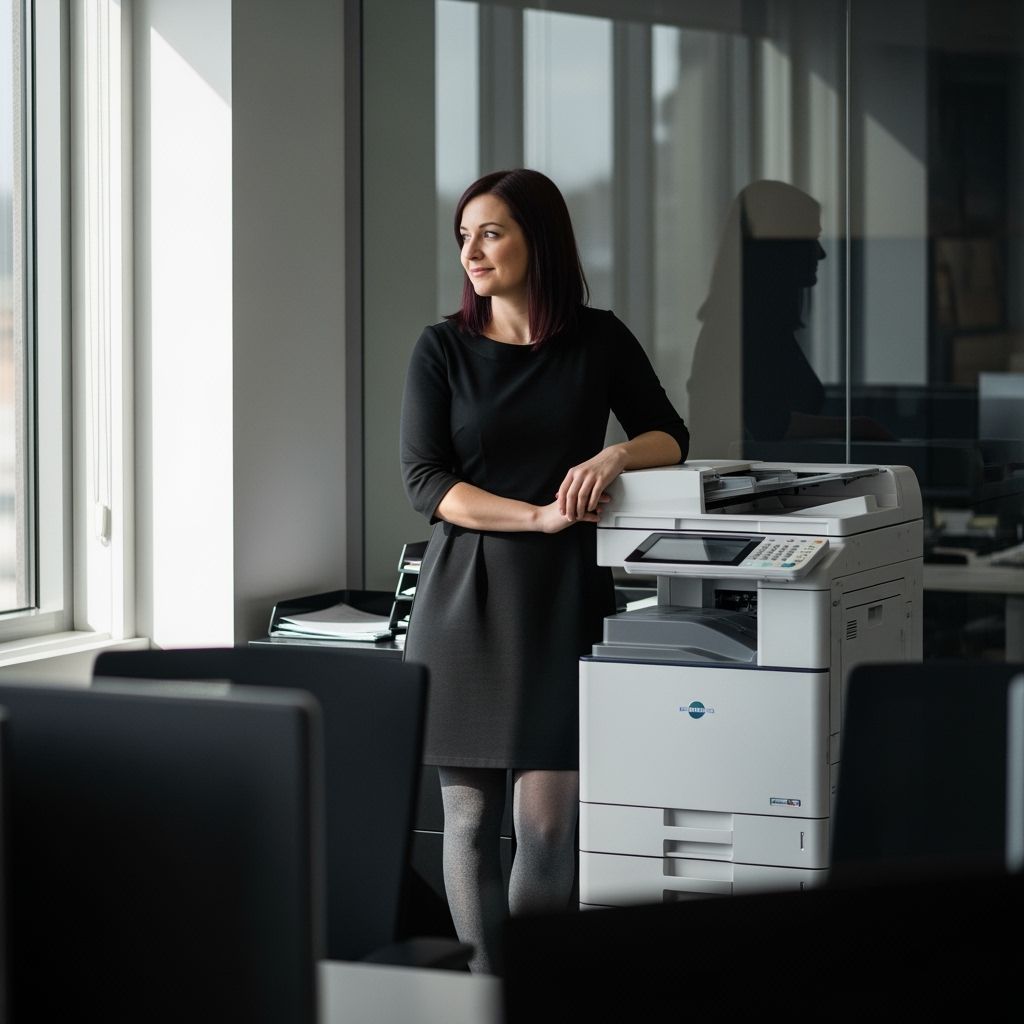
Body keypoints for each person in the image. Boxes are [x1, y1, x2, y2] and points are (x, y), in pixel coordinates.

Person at [399, 168, 689, 974]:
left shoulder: (597, 340)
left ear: (539, 240)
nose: (472, 251)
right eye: (464, 235)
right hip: (467, 600)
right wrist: (538, 516)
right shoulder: (443, 348)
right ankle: (486, 994)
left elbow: (670, 432)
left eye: (490, 232)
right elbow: (426, 482)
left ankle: (529, 989)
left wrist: (617, 453)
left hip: (566, 600)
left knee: (551, 825)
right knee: (466, 825)